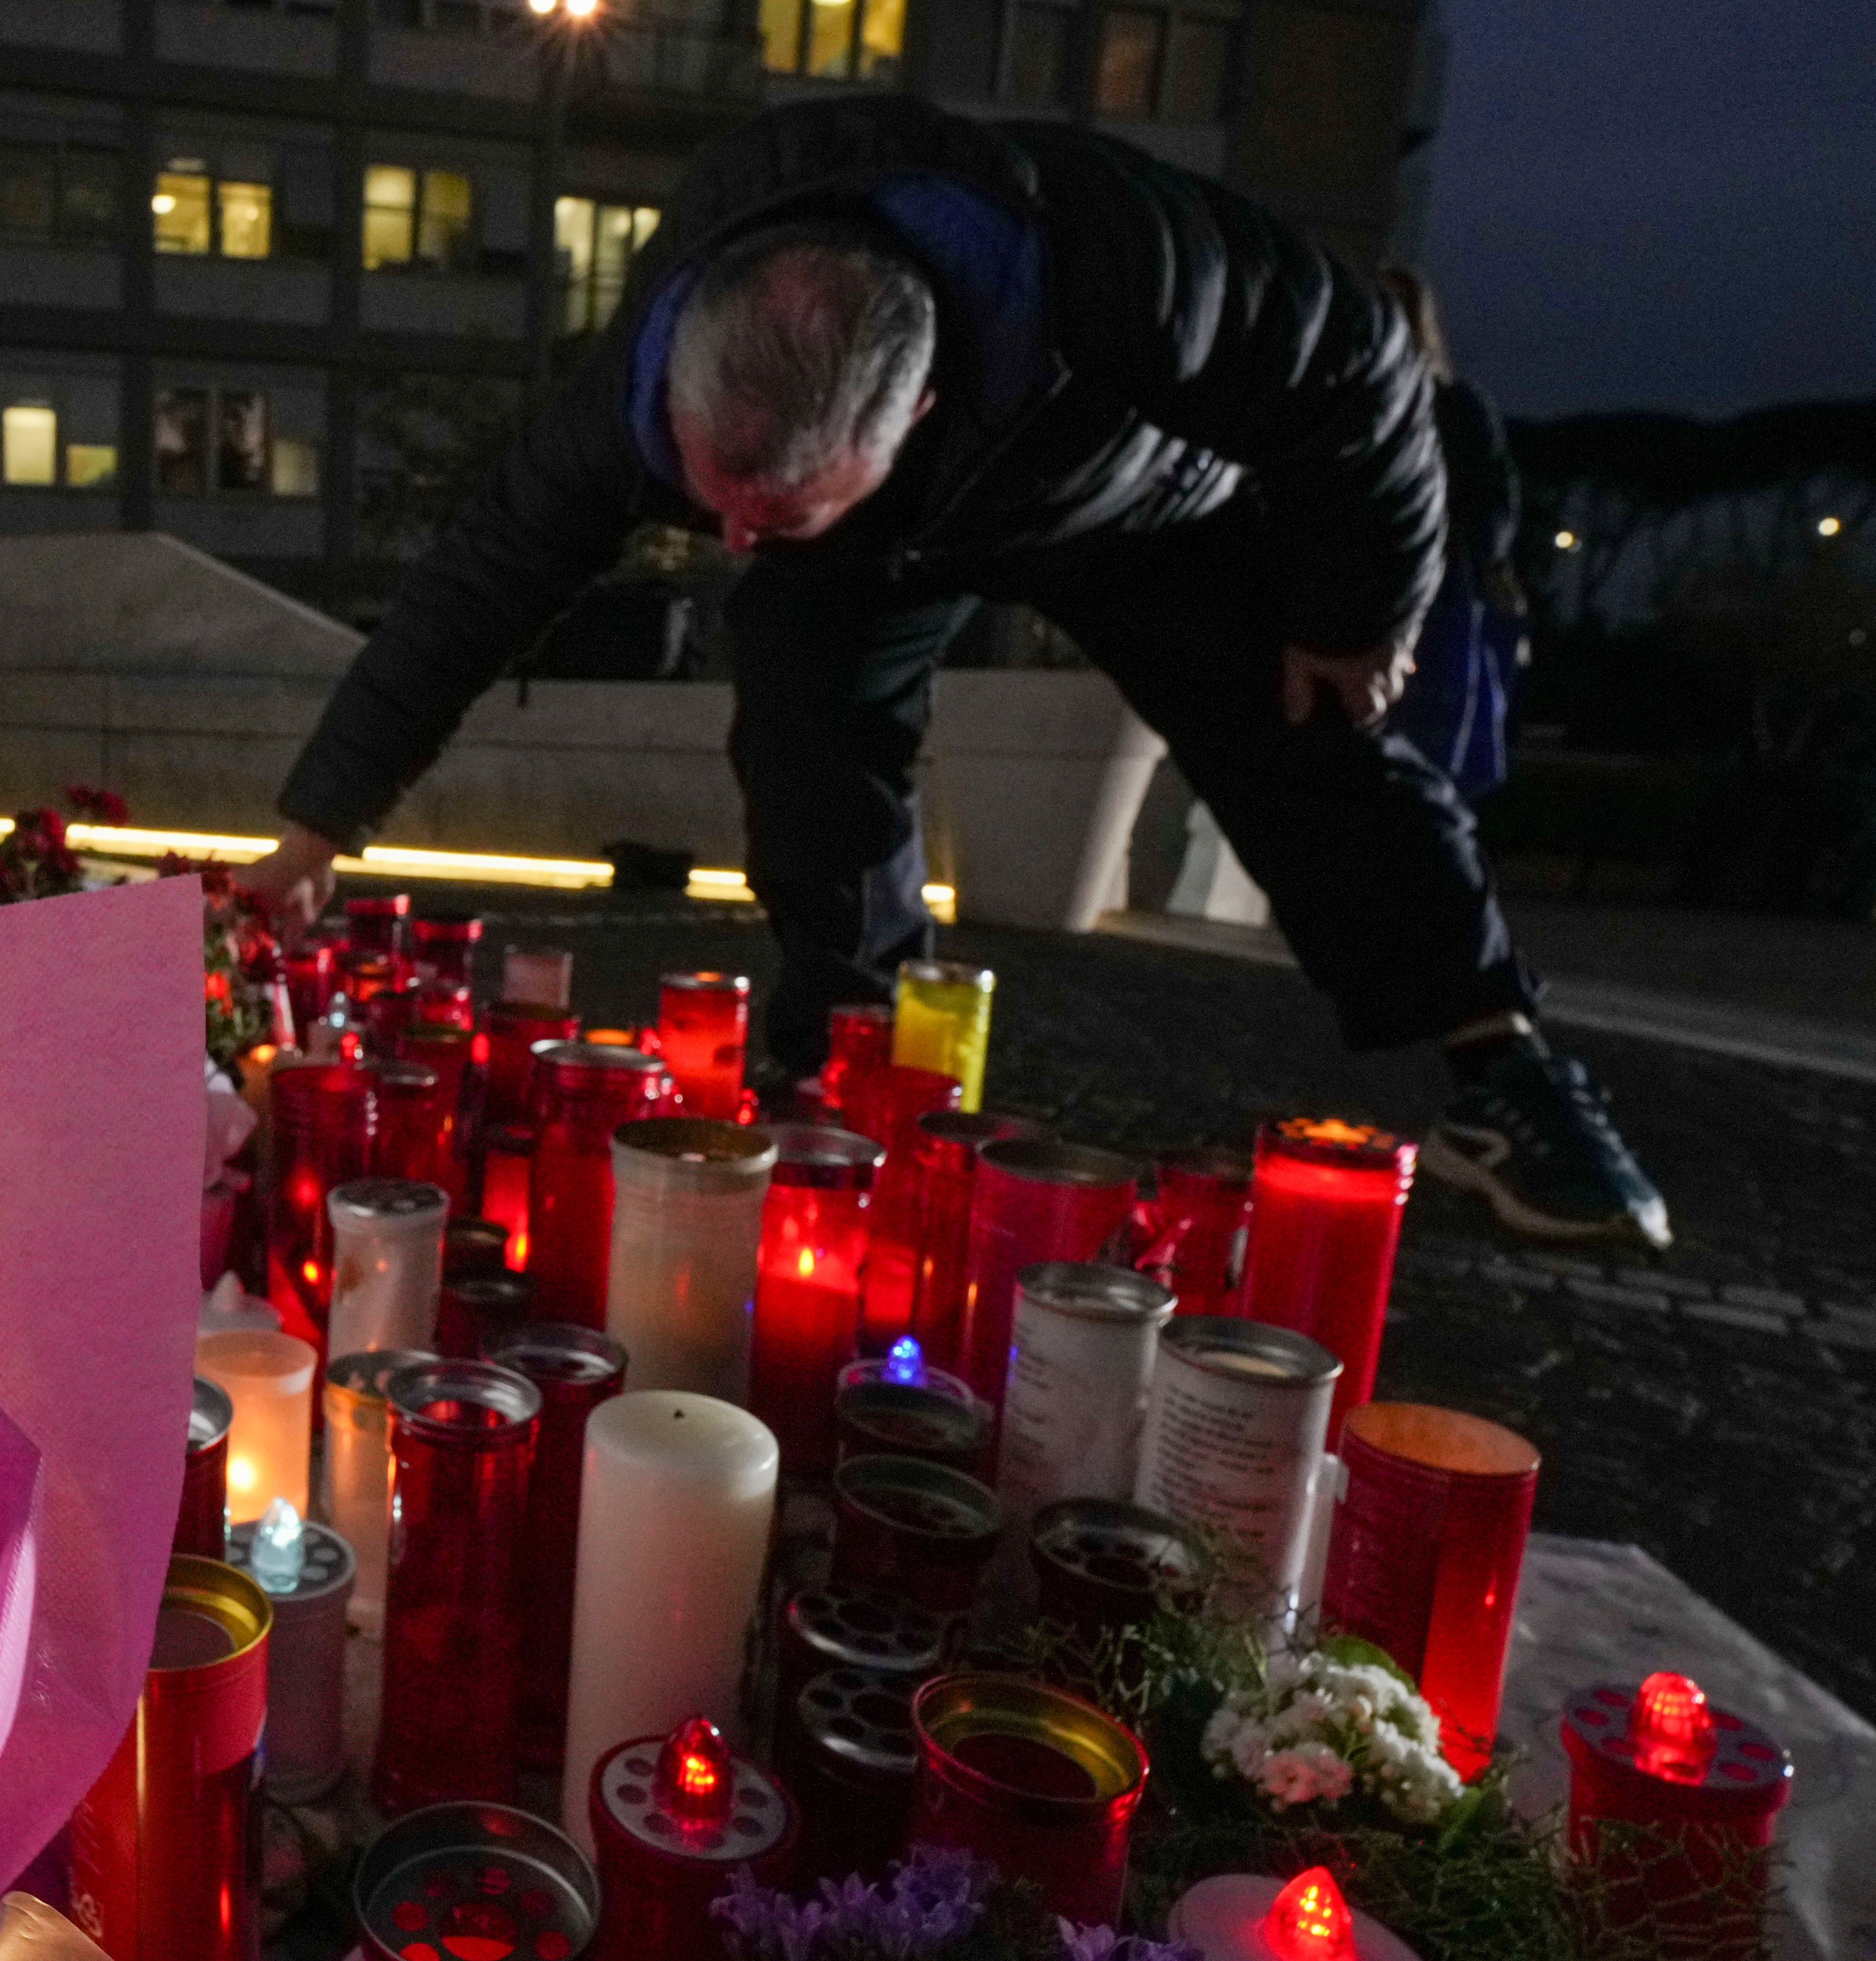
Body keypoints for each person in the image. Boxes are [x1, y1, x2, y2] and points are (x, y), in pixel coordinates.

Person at [237, 94, 1670, 1250]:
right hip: (865, 551)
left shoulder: (1123, 259)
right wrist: (319, 825)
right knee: (805, 731)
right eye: (707, 493)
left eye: (765, 513)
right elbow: (471, 592)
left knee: (1304, 725)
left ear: (911, 407)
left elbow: (1362, 373)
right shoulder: (629, 408)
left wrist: (1358, 609)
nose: (725, 534)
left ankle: (1503, 1070)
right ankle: (848, 1050)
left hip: (1135, 497)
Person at [1374, 267, 1530, 807]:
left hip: (1435, 594)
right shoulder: (1352, 397)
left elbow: (1494, 499)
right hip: (1367, 581)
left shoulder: (1456, 407)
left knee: (1423, 738)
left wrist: (1463, 555)